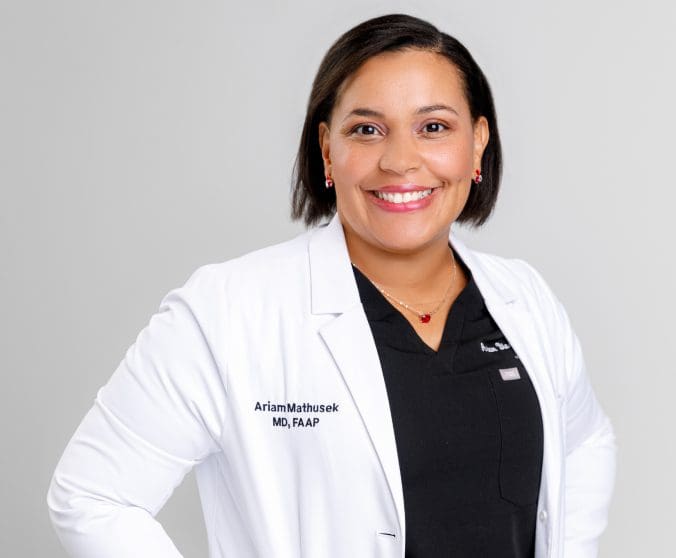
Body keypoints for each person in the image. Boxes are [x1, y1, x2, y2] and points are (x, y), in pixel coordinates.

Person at [47, 13, 616, 558]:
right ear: (327, 150)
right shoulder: (228, 310)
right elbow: (93, 494)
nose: (400, 160)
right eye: (367, 130)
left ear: (477, 145)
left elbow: (585, 443)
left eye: (434, 127)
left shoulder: (526, 298)